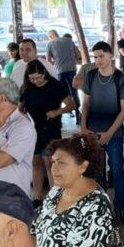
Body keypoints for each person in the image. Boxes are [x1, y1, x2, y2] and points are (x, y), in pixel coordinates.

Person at [80, 41, 124, 225]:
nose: (98, 60)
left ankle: (119, 207)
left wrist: (109, 133)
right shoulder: (91, 76)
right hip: (92, 133)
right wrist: (83, 127)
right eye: (95, 57)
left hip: (114, 135)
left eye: (101, 56)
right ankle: (102, 207)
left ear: (111, 56)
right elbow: (85, 103)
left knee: (117, 171)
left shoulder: (121, 79)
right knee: (97, 172)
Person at [20, 60, 75, 203]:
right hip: (32, 130)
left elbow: (71, 104)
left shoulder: (55, 86)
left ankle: (54, 198)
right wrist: (22, 115)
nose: (36, 81)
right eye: (32, 79)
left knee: (50, 163)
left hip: (50, 128)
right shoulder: (26, 88)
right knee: (36, 162)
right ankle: (37, 197)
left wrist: (57, 112)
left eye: (38, 77)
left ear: (44, 73)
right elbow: (20, 107)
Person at [46, 30, 82, 115]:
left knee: (60, 94)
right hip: (72, 70)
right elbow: (78, 55)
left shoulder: (50, 44)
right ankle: (78, 115)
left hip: (60, 71)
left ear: (50, 37)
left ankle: (60, 114)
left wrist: (56, 62)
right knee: (74, 92)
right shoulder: (69, 40)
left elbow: (48, 61)